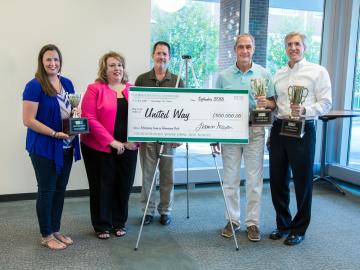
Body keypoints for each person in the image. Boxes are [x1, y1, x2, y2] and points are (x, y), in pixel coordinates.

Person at [269, 32, 332, 245]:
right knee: (277, 180)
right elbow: (276, 104)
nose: (293, 48)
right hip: (280, 128)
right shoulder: (278, 74)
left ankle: (299, 228)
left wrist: (306, 109)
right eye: (289, 44)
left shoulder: (318, 71)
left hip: (304, 129)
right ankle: (283, 224)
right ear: (285, 48)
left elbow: (326, 103)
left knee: (303, 181)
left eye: (297, 44)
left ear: (304, 47)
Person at [215, 34, 276, 242]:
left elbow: (273, 103)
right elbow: (215, 106)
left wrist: (265, 103)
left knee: (254, 180)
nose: (245, 51)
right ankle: (232, 220)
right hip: (230, 132)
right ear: (235, 50)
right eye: (241, 47)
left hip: (255, 130)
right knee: (230, 179)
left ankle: (253, 223)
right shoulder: (224, 76)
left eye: (248, 47)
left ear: (254, 49)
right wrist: (215, 136)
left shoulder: (263, 73)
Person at [22, 44, 81, 250]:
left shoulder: (67, 82)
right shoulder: (34, 85)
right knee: (47, 190)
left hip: (67, 145)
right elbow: (28, 120)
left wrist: (77, 115)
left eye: (56, 59)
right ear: (41, 61)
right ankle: (46, 235)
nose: (52, 63)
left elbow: (73, 110)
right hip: (45, 146)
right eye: (48, 60)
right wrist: (54, 133)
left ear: (60, 61)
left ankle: (55, 229)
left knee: (60, 190)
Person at [81, 52, 138, 239]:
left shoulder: (132, 89)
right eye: (112, 65)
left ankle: (119, 222)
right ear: (104, 69)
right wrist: (111, 141)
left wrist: (135, 141)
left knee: (124, 185)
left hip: (128, 148)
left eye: (120, 64)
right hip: (100, 148)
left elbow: (143, 118)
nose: (117, 68)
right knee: (102, 186)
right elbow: (89, 118)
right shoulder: (94, 89)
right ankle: (102, 224)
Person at [135, 41, 183, 226]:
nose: (161, 57)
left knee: (167, 175)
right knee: (148, 175)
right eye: (158, 53)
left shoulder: (178, 81)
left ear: (169, 57)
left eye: (165, 54)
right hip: (147, 137)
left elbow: (184, 110)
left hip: (169, 138)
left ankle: (165, 211)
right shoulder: (142, 79)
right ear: (153, 55)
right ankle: (148, 210)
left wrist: (179, 136)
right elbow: (136, 109)